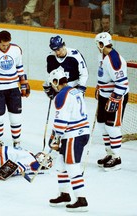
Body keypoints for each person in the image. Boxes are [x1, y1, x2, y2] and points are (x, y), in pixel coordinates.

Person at [47, 68, 90, 212]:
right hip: (79, 132)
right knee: (61, 164)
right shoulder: (76, 91)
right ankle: (64, 194)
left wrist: (55, 139)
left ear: (55, 81)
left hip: (73, 135)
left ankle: (81, 199)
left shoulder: (61, 96)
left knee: (72, 166)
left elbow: (61, 121)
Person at [94, 32, 129, 171]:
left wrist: (114, 98)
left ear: (102, 44)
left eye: (98, 44)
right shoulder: (102, 55)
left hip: (116, 96)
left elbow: (122, 83)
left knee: (112, 127)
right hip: (104, 94)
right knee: (102, 125)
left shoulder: (114, 60)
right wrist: (99, 86)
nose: (97, 46)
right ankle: (109, 153)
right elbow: (103, 75)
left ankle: (117, 157)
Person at [43, 35, 89, 100]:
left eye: (58, 49)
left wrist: (80, 88)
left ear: (64, 45)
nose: (57, 53)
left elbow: (84, 73)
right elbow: (49, 74)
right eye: (54, 50)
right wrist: (48, 86)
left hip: (74, 89)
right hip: (59, 90)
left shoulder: (75, 55)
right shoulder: (50, 57)